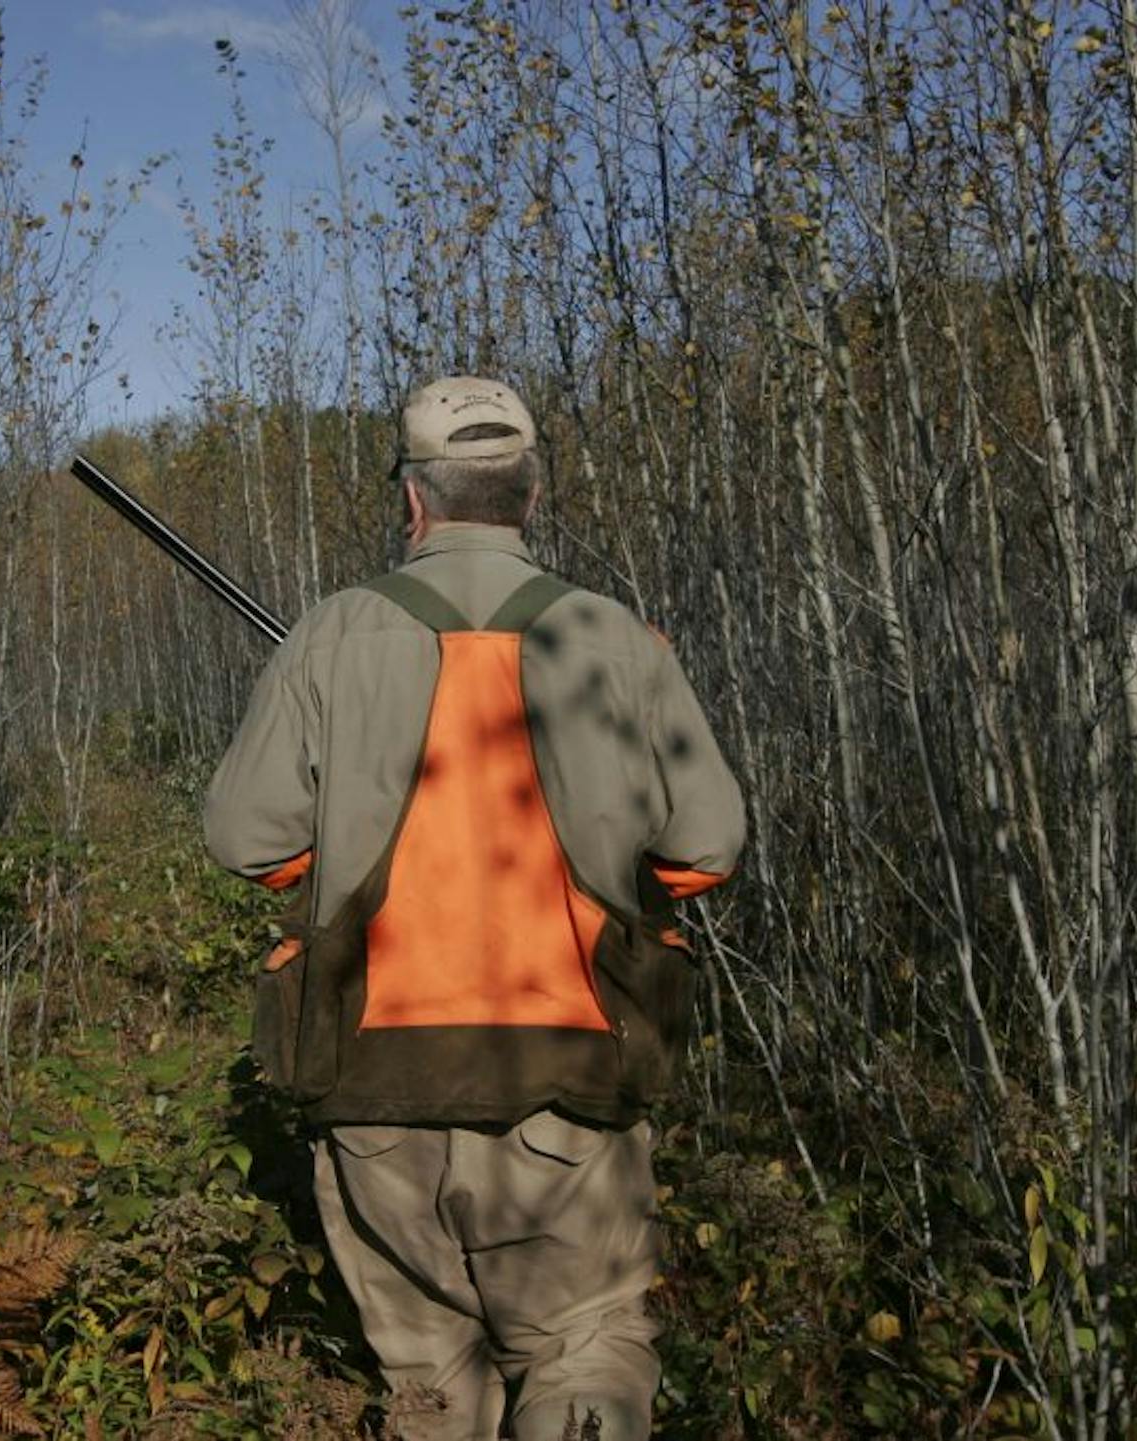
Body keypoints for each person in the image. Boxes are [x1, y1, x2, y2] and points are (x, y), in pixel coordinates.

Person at [203, 376, 746, 1440]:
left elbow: (245, 835)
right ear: (531, 494)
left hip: (375, 1090)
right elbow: (705, 847)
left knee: (429, 1387)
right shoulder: (615, 641)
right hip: (572, 1084)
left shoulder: (333, 633)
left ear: (413, 501)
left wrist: (348, 865)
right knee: (585, 1352)